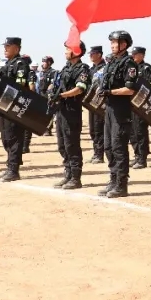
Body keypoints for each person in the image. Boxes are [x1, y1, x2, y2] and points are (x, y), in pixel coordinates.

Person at [99, 30, 139, 198]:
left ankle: (121, 185)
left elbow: (130, 89)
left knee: (118, 147)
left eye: (115, 42)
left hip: (121, 110)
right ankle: (113, 179)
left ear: (124, 44)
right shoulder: (111, 63)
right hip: (109, 109)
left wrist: (110, 92)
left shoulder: (129, 64)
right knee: (108, 146)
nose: (112, 45)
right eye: (112, 42)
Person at [52, 41, 91, 190]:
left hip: (72, 111)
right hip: (61, 110)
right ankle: (68, 174)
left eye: (68, 49)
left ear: (76, 51)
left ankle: (75, 178)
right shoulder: (65, 68)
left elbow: (80, 88)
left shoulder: (82, 69)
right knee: (62, 144)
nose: (65, 51)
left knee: (72, 144)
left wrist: (62, 95)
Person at [0, 37, 32, 182]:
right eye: (5, 46)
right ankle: (10, 166)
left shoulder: (20, 64)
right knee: (6, 137)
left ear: (16, 48)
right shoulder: (7, 64)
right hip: (4, 104)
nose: (5, 49)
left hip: (14, 106)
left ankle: (14, 170)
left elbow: (20, 86)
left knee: (14, 137)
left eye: (8, 46)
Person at [129, 47, 151, 169]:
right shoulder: (131, 68)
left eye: (135, 54)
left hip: (140, 104)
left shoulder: (146, 68)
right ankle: (137, 155)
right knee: (132, 132)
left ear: (142, 55)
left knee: (140, 131)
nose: (133, 56)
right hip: (130, 104)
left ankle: (142, 159)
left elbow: (149, 85)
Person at [87, 45, 107, 163]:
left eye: (92, 54)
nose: (90, 56)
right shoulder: (92, 69)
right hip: (91, 102)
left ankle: (99, 155)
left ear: (99, 54)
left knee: (99, 128)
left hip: (100, 103)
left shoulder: (104, 68)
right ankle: (96, 153)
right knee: (93, 129)